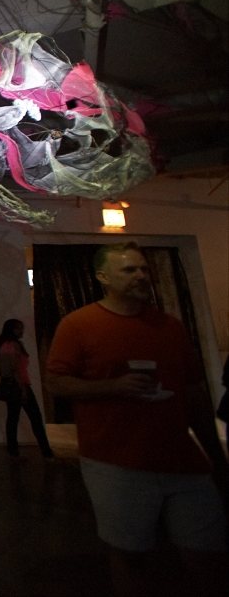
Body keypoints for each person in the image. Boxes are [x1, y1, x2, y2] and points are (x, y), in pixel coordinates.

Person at [45, 241, 229, 596]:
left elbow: (193, 392)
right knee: (130, 555)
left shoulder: (170, 327)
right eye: (129, 270)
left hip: (182, 460)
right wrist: (112, 386)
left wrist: (215, 457)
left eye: (144, 269)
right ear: (103, 277)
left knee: (208, 553)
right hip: (116, 462)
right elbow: (56, 381)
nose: (142, 276)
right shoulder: (78, 325)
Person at [0, 318, 54, 459]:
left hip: (15, 386)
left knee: (13, 419)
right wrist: (22, 389)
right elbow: (15, 369)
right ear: (12, 330)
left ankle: (13, 452)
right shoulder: (12, 346)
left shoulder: (6, 345)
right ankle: (46, 452)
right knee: (34, 418)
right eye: (18, 328)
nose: (21, 330)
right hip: (20, 386)